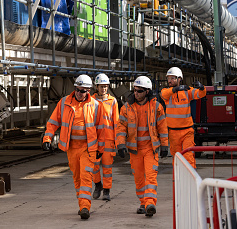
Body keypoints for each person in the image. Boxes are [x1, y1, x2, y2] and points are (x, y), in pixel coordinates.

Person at [42, 74, 105, 220]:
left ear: (88, 91)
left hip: (88, 149)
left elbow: (101, 130)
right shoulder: (64, 103)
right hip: (71, 149)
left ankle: (85, 207)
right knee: (77, 178)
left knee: (85, 177)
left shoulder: (96, 106)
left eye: (83, 91)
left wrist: (100, 150)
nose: (79, 93)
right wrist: (47, 138)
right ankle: (81, 204)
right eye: (77, 89)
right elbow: (53, 122)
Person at [116, 76, 168, 217]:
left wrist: (164, 145)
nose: (136, 93)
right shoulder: (127, 108)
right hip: (135, 150)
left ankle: (150, 203)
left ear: (147, 91)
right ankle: (143, 202)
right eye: (135, 90)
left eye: (139, 91)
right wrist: (120, 144)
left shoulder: (156, 107)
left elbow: (162, 127)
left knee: (150, 177)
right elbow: (121, 127)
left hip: (151, 149)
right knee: (139, 179)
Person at [160, 66, 206, 169]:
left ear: (179, 79)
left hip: (187, 131)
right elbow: (163, 94)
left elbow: (200, 94)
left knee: (189, 156)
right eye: (168, 78)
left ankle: (191, 180)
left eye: (172, 78)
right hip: (173, 132)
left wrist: (202, 87)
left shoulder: (187, 91)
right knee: (176, 158)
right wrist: (176, 89)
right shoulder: (166, 92)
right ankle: (178, 180)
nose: (170, 80)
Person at [91, 73, 119, 201]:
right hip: (95, 139)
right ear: (96, 87)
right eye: (101, 86)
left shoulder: (112, 101)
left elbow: (116, 122)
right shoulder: (91, 100)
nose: (103, 89)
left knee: (107, 166)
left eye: (106, 86)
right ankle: (98, 185)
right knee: (94, 165)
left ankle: (107, 190)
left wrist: (118, 141)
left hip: (108, 140)